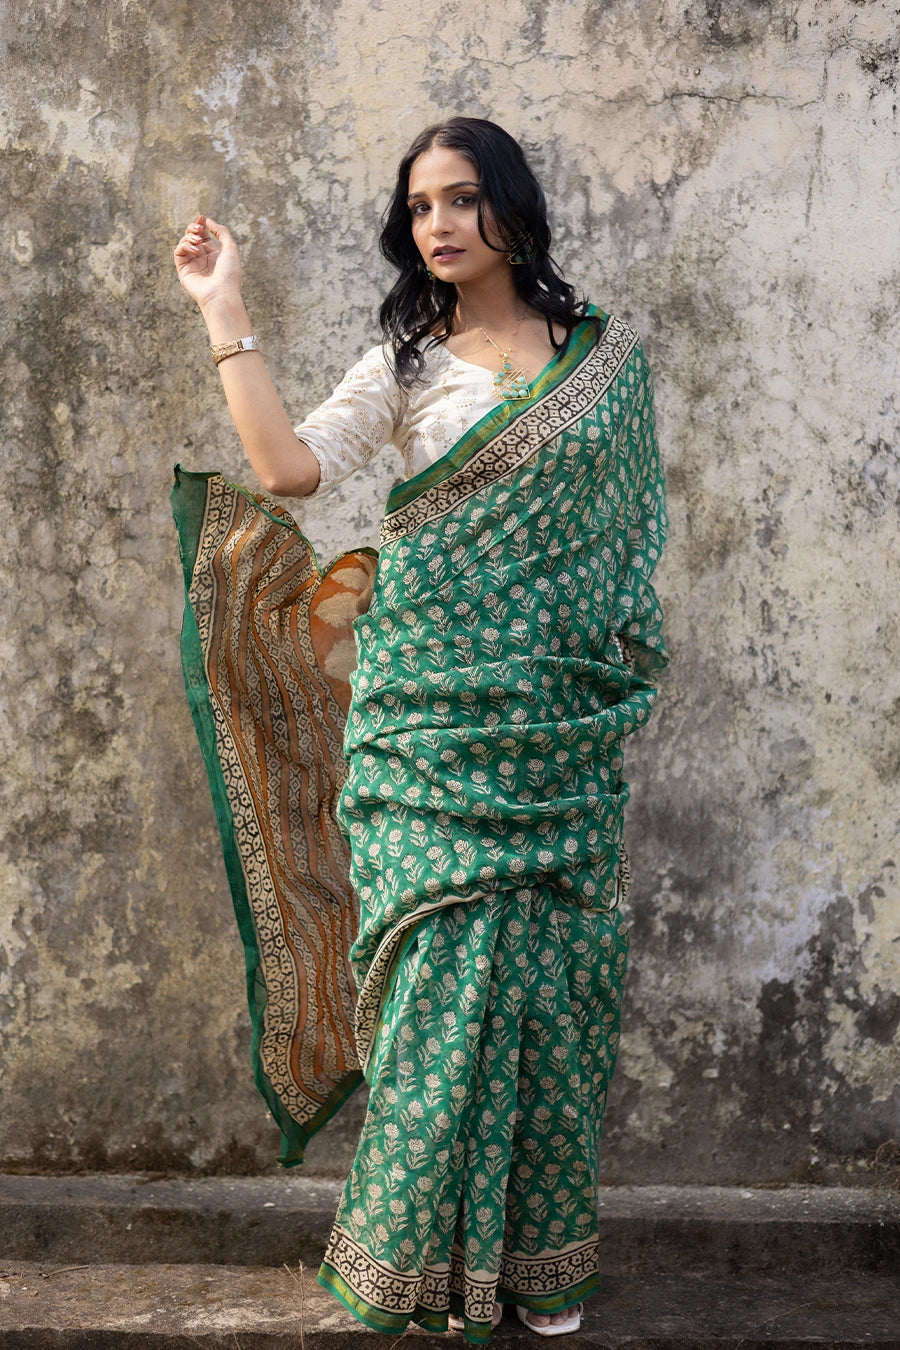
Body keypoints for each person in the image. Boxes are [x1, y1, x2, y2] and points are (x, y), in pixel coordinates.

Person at [173, 116, 669, 1344]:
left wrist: (590, 672)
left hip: (554, 728)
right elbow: (290, 472)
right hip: (426, 728)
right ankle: (411, 1266)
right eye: (418, 208)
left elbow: (624, 555)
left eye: (459, 200)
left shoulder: (605, 372)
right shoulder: (406, 362)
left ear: (510, 206)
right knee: (437, 995)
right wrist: (220, 307)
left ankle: (536, 1266)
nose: (436, 226)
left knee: (554, 998)